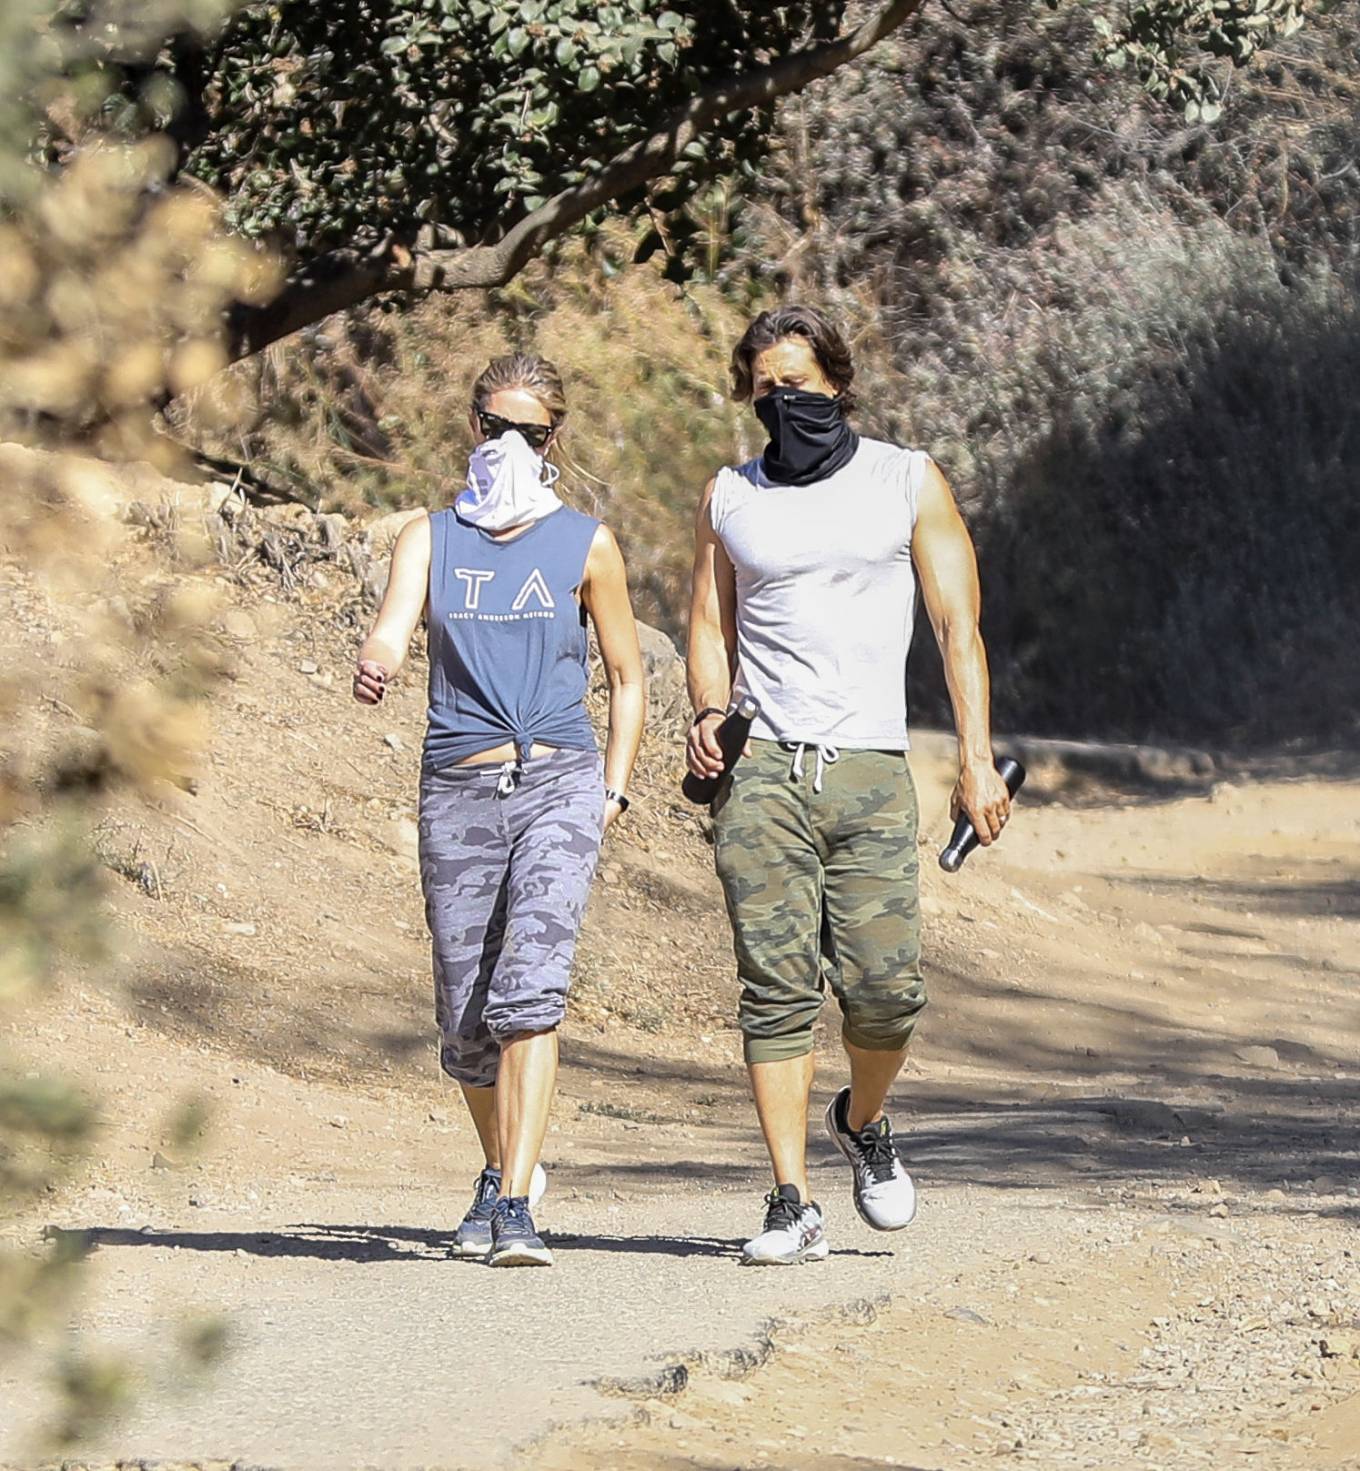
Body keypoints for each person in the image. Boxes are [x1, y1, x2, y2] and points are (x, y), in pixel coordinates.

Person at [686, 305, 1011, 1265]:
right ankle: (790, 1201)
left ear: (839, 381)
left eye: (802, 384)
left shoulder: (905, 480)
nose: (786, 403)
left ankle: (861, 1118)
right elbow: (709, 622)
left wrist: (976, 759)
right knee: (775, 990)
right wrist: (708, 714)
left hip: (871, 769)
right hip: (764, 773)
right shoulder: (729, 496)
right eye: (767, 389)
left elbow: (960, 630)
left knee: (885, 994)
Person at [354, 353, 645, 1267]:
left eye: (529, 431)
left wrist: (613, 785)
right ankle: (497, 1164)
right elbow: (398, 621)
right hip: (458, 784)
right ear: (472, 427)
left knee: (529, 999)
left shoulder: (586, 543)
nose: (509, 445)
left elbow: (629, 677)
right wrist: (380, 655)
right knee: (465, 1023)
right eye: (495, 426)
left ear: (553, 438)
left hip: (558, 776)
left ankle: (516, 1204)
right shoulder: (431, 535)